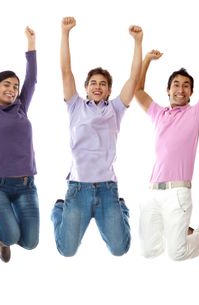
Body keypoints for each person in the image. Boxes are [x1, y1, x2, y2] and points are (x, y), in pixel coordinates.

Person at [51, 17, 142, 257]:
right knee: (66, 250)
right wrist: (65, 33)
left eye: (103, 84)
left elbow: (133, 79)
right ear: (86, 87)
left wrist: (138, 42)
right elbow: (65, 70)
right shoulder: (75, 106)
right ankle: (59, 210)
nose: (98, 86)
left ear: (109, 90)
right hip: (78, 188)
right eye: (93, 83)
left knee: (120, 249)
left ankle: (121, 207)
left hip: (106, 189)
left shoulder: (116, 109)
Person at [134, 44, 199, 261]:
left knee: (177, 253)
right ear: (168, 89)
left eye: (186, 86)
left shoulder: (196, 114)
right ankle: (176, 228)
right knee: (148, 251)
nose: (180, 90)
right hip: (153, 191)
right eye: (176, 85)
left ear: (191, 92)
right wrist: (146, 60)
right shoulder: (158, 113)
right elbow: (137, 90)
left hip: (178, 192)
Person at [0, 20, 39, 269]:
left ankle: (2, 237)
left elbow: (31, 80)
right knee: (11, 236)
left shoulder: (21, 107)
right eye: (6, 85)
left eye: (15, 86)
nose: (13, 90)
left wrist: (31, 43)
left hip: (26, 185)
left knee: (31, 243)